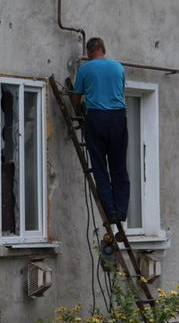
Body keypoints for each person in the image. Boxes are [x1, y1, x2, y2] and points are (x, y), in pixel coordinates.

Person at [71, 37, 130, 224]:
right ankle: (121, 210)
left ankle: (110, 211)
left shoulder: (84, 69)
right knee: (119, 167)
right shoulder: (118, 67)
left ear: (88, 52)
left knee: (99, 167)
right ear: (103, 50)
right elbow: (120, 91)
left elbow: (76, 97)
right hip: (118, 118)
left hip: (96, 117)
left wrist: (78, 112)